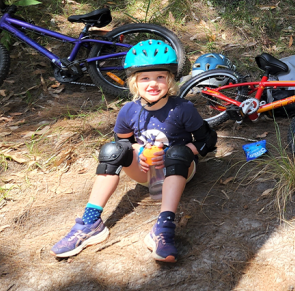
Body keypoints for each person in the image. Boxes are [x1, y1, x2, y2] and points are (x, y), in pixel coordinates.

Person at [50, 40, 216, 263]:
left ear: (170, 79)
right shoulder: (129, 110)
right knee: (112, 151)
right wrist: (138, 149)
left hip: (180, 169)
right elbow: (122, 142)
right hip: (146, 171)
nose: (153, 84)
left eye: (160, 77)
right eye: (145, 78)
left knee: (177, 154)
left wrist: (177, 151)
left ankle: (164, 227)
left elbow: (208, 140)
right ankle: (91, 223)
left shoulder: (182, 108)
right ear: (134, 83)